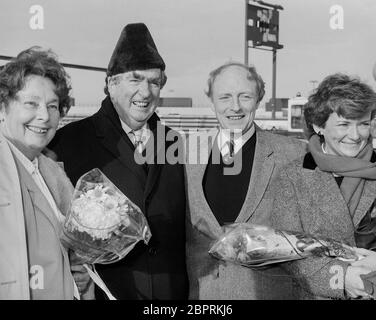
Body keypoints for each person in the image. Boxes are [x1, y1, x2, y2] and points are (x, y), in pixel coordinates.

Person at [48, 23, 188, 300]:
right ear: (111, 84)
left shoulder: (174, 141)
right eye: (135, 80)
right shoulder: (67, 142)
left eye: (154, 82)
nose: (146, 92)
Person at [185, 61, 307, 299]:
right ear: (211, 101)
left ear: (258, 99)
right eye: (225, 97)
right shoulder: (186, 153)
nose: (235, 107)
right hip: (200, 295)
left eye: (245, 96)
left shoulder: (294, 154)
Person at [270, 73, 376, 299]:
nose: (355, 135)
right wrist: (342, 278)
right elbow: (288, 251)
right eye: (344, 124)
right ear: (319, 125)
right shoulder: (293, 177)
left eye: (363, 124)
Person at [0, 47, 92, 299]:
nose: (44, 116)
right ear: (2, 107)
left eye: (53, 106)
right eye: (31, 103)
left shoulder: (50, 171)